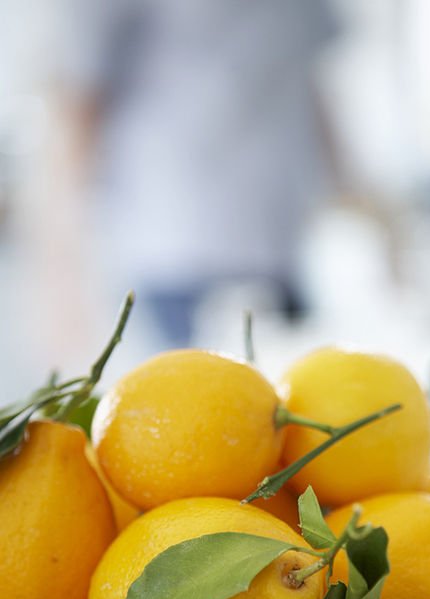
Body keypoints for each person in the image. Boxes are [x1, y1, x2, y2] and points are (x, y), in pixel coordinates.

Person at [49, 0, 340, 347]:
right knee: (191, 394)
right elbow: (79, 101)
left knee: (296, 385)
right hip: (179, 249)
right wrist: (62, 263)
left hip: (284, 246)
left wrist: (362, 197)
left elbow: (309, 84)